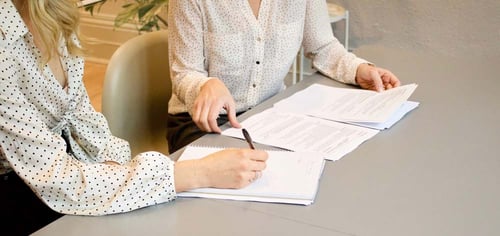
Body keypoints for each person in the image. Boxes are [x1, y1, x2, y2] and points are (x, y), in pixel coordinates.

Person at [0, 1, 268, 235]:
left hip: (63, 170)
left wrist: (120, 170)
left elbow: (83, 121)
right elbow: (56, 178)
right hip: (22, 190)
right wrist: (198, 173)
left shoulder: (52, 12)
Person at [166, 0, 401, 153]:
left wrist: (359, 70)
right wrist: (205, 86)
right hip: (203, 124)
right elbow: (184, 73)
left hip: (269, 116)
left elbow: (322, 46)